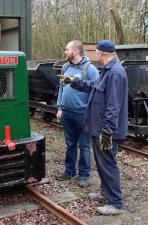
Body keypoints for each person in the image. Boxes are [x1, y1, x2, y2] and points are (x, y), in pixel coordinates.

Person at [63, 40, 128, 215]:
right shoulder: (108, 71)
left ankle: (115, 203)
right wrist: (74, 82)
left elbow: (114, 106)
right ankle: (106, 193)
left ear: (100, 54)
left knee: (108, 164)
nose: (95, 56)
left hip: (106, 130)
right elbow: (93, 87)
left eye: (96, 53)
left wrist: (107, 130)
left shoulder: (115, 73)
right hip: (100, 128)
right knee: (102, 163)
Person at [56, 40, 99, 187]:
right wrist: (60, 107)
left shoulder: (90, 69)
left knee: (84, 146)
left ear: (75, 51)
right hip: (67, 113)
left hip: (82, 114)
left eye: (67, 49)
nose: (65, 52)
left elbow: (97, 93)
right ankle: (69, 171)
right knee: (70, 144)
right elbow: (61, 89)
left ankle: (84, 175)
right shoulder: (65, 67)